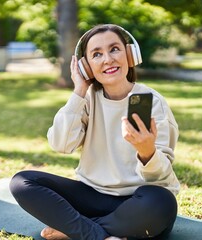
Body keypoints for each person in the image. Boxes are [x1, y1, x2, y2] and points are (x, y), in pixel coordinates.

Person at [10, 24, 180, 240]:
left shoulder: (152, 101)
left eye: (114, 49)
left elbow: (162, 177)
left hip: (138, 201)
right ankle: (100, 235)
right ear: (86, 67)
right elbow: (61, 145)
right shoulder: (86, 99)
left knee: (161, 202)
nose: (107, 59)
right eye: (97, 54)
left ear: (130, 55)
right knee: (22, 182)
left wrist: (147, 153)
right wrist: (79, 91)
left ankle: (75, 230)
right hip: (92, 197)